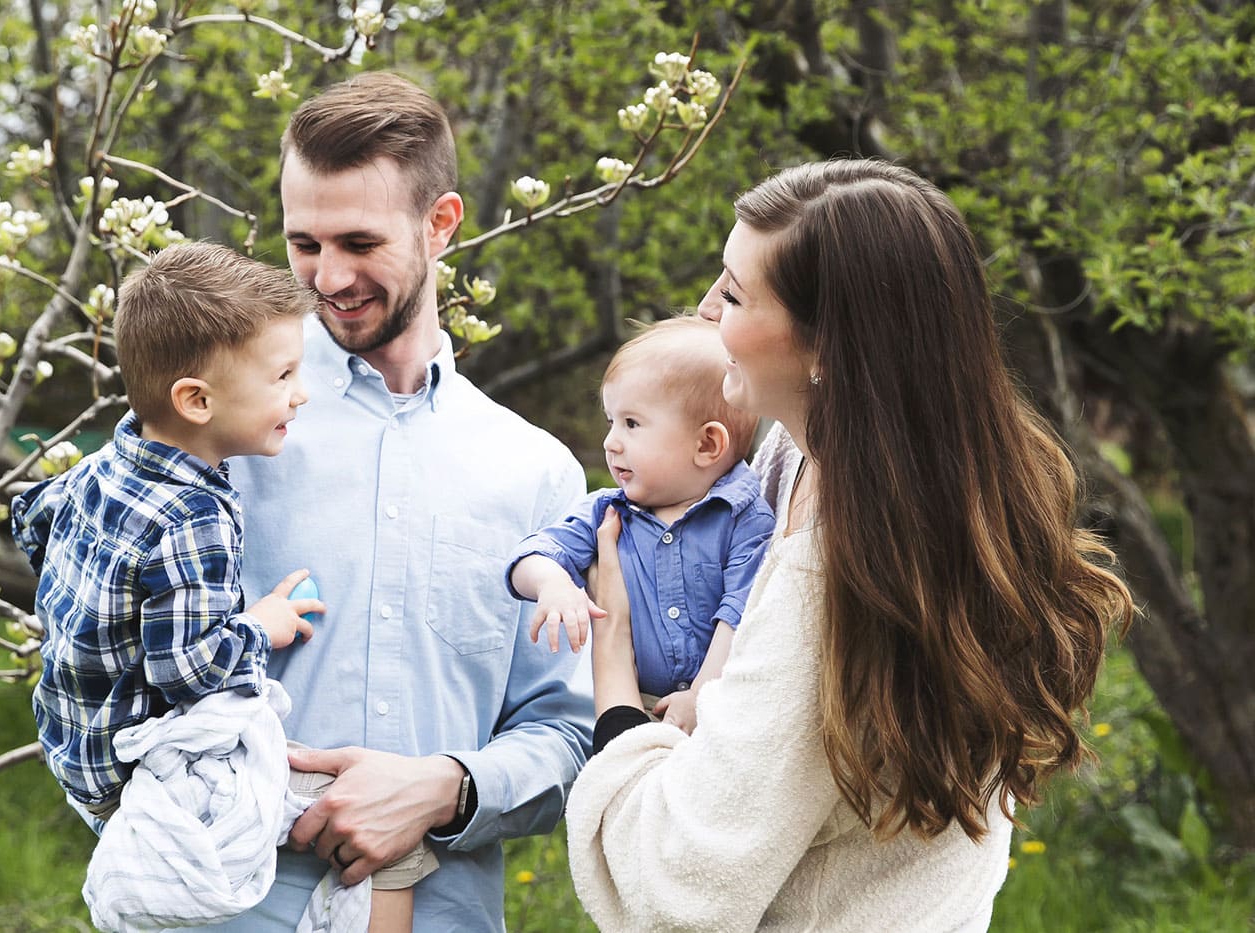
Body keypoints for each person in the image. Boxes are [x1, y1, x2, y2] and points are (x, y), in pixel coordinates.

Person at [564, 160, 1134, 930]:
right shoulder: (889, 471)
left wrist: (616, 686)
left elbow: (675, 883)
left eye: (733, 294)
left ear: (826, 347)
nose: (704, 312)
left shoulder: (833, 583)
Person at [206, 72, 592, 932]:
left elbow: (568, 730)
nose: (328, 276)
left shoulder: (536, 472)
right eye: (303, 243)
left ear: (440, 222)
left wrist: (447, 787)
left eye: (358, 241)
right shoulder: (208, 419)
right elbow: (100, 656)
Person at [15, 243, 435, 928]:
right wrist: (260, 624)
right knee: (382, 832)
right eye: (283, 376)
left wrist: (98, 611)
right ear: (197, 400)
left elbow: (30, 517)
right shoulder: (195, 513)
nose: (300, 393)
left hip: (72, 744)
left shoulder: (110, 458)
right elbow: (188, 671)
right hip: (139, 767)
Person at [506, 316, 775, 732]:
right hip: (635, 703)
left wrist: (705, 693)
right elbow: (534, 553)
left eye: (631, 423)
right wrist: (552, 583)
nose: (611, 441)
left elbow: (740, 616)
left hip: (726, 705)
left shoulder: (744, 519)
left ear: (707, 444)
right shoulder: (609, 512)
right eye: (611, 420)